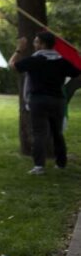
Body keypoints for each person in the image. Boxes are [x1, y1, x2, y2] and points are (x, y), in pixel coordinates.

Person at [10, 31, 81, 175]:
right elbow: (77, 72)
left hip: (39, 101)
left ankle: (39, 166)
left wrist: (19, 49)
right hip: (58, 101)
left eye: (36, 42)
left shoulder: (35, 60)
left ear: (42, 44)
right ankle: (61, 164)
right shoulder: (61, 61)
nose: (34, 44)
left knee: (39, 134)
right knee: (57, 133)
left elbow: (12, 65)